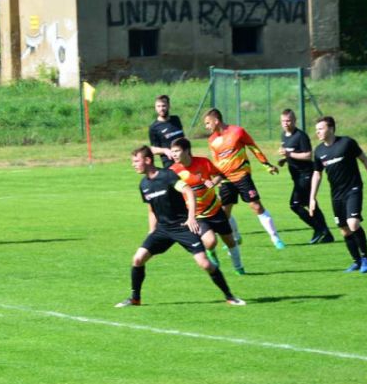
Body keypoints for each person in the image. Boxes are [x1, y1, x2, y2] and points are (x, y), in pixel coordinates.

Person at [115, 146, 245, 307]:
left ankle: (230, 296)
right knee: (138, 259)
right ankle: (135, 299)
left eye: (136, 161)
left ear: (148, 160)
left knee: (205, 263)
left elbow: (188, 191)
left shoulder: (167, 175)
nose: (133, 164)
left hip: (183, 227)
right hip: (163, 230)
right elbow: (151, 210)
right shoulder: (144, 184)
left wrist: (191, 218)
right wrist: (151, 231)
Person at [309, 116, 367, 273]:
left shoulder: (347, 143)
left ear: (331, 128)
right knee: (344, 230)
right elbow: (317, 174)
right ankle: (356, 261)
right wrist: (312, 198)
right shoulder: (319, 151)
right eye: (316, 130)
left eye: (320, 129)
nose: (317, 132)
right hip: (336, 194)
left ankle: (366, 258)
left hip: (353, 189)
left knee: (353, 223)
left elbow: (364, 160)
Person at [204, 107, 285, 249]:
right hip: (225, 180)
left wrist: (266, 165)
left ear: (216, 121)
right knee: (224, 213)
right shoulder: (212, 140)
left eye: (207, 123)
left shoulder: (237, 132)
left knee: (256, 206)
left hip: (242, 176)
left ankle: (275, 238)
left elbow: (253, 147)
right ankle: (235, 238)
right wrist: (216, 178)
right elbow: (216, 161)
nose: (206, 126)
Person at [170, 137, 245, 275]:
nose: (173, 154)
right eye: (172, 151)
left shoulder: (203, 162)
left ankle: (239, 267)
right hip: (197, 214)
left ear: (187, 151)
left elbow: (220, 175)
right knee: (210, 241)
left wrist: (213, 182)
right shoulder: (173, 171)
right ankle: (211, 253)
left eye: (177, 151)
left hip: (215, 210)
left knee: (230, 241)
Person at [278, 109, 334, 244]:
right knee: (311, 204)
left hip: (307, 174)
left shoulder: (300, 136)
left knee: (295, 205)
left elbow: (308, 155)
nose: (285, 123)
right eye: (283, 121)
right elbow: (292, 153)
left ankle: (318, 228)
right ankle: (327, 234)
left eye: (288, 121)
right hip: (297, 177)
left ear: (294, 120)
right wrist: (284, 160)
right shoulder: (284, 135)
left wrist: (289, 155)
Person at [147, 94, 184, 168]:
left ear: (169, 106)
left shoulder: (176, 119)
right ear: (155, 108)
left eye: (163, 106)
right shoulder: (154, 127)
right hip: (170, 163)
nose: (161, 109)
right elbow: (153, 149)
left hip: (184, 159)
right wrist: (165, 150)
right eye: (158, 106)